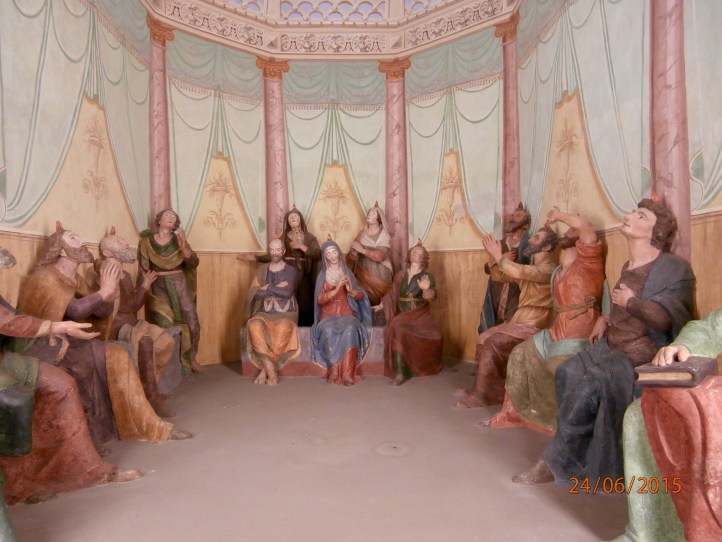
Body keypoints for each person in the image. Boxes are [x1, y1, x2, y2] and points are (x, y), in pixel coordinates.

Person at [514, 198, 695, 485]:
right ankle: (579, 453)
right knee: (567, 372)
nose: (630, 216)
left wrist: (631, 302)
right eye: (633, 212)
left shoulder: (671, 268)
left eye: (641, 216)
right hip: (612, 344)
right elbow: (621, 310)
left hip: (639, 353)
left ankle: (556, 461)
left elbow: (664, 320)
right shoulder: (628, 265)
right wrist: (606, 318)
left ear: (655, 231)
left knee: (590, 385)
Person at [14, 225, 191, 443]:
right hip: (44, 345)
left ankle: (149, 426)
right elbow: (75, 310)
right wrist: (104, 291)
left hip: (73, 341)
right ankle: (89, 438)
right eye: (73, 238)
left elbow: (101, 312)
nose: (82, 241)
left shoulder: (77, 279)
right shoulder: (45, 277)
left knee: (119, 355)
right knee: (89, 366)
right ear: (61, 250)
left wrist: (110, 293)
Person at [0, 246, 139, 507]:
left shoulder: (78, 278)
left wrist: (50, 332)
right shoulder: (45, 277)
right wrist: (56, 326)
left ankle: (84, 469)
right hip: (7, 361)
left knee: (63, 385)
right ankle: (16, 486)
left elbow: (14, 316)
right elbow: (7, 322)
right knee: (15, 402)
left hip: (7, 357)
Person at [481, 208, 605, 430]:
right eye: (567, 228)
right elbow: (507, 274)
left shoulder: (588, 262)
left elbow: (585, 225)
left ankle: (559, 423)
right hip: (556, 330)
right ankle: (513, 413)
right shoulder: (559, 271)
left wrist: (559, 216)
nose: (567, 231)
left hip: (577, 329)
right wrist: (496, 257)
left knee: (558, 366)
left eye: (572, 229)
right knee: (519, 354)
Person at [455, 227, 557, 409]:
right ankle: (484, 389)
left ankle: (483, 396)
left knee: (493, 342)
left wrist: (498, 256)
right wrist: (492, 257)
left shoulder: (550, 269)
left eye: (536, 238)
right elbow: (500, 276)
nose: (530, 240)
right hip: (520, 320)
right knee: (484, 337)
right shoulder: (532, 268)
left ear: (547, 246)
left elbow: (519, 271)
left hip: (535, 322)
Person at [89, 229, 176, 417]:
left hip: (133, 322)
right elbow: (101, 308)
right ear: (107, 252)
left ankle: (150, 386)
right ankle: (149, 397)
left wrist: (144, 286)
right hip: (115, 327)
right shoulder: (104, 273)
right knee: (145, 342)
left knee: (167, 342)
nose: (126, 245)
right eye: (119, 243)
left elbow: (133, 306)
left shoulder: (126, 275)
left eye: (124, 241)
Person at [137, 209, 204, 374]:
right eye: (166, 215)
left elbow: (194, 263)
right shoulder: (146, 242)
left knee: (192, 320)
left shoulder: (179, 240)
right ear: (159, 221)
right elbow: (143, 268)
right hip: (158, 284)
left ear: (175, 224)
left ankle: (191, 358)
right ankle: (166, 364)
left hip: (179, 283)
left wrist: (184, 247)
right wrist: (144, 285)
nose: (170, 217)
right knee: (163, 322)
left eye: (173, 217)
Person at [382, 240, 443, 386]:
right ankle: (400, 372)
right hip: (402, 314)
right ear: (409, 255)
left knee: (436, 336)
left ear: (424, 258)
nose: (415, 253)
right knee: (399, 329)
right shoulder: (401, 275)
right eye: (414, 251)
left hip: (420, 316)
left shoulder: (427, 276)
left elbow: (431, 297)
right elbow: (392, 294)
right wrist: (381, 305)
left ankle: (414, 368)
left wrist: (426, 289)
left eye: (419, 252)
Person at [312, 239, 372, 386]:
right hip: (328, 315)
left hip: (347, 313)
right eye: (328, 254)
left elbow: (360, 294)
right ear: (325, 257)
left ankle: (348, 374)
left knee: (350, 330)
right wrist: (337, 288)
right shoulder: (322, 276)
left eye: (334, 252)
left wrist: (351, 291)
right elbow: (319, 299)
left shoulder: (347, 273)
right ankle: (333, 370)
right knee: (328, 331)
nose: (332, 256)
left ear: (339, 253)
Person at [245, 238, 301, 386]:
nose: (275, 253)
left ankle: (265, 370)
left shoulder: (290, 270)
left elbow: (286, 293)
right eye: (272, 250)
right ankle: (270, 369)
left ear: (283, 251)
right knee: (253, 325)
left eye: (278, 250)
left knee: (283, 328)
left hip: (286, 311)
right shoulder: (262, 270)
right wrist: (277, 288)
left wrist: (267, 287)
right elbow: (255, 294)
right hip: (265, 311)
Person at [256, 206, 320, 327]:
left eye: (295, 216)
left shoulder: (309, 237)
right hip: (287, 272)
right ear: (288, 222)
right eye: (290, 217)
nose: (293, 218)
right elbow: (274, 254)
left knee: (305, 300)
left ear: (301, 219)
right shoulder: (284, 237)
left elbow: (317, 253)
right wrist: (256, 258)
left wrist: (301, 246)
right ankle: (289, 325)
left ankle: (304, 328)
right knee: (289, 295)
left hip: (304, 272)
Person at [478, 202, 531, 334]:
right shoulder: (500, 244)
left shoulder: (529, 246)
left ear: (526, 224)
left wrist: (502, 261)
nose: (512, 218)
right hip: (496, 294)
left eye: (518, 216)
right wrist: (498, 259)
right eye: (512, 215)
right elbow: (487, 268)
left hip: (515, 297)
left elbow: (528, 271)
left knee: (509, 335)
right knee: (490, 331)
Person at [347, 203, 393, 316]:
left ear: (379, 219)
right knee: (362, 298)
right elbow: (352, 255)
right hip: (363, 275)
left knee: (380, 304)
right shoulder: (361, 234)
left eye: (373, 213)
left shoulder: (384, 235)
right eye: (369, 212)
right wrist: (354, 253)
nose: (369, 214)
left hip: (381, 275)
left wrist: (362, 250)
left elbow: (380, 256)